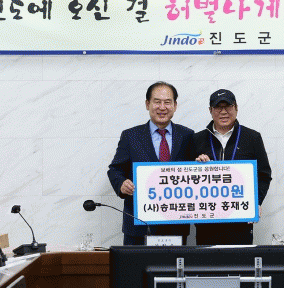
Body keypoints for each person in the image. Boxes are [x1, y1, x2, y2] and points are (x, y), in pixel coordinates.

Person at [108, 82, 194, 245]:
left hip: (175, 227)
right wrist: (122, 184)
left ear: (175, 106)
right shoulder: (130, 136)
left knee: (174, 263)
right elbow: (115, 170)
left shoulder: (188, 136)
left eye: (167, 102)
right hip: (138, 227)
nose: (162, 107)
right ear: (147, 104)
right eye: (157, 101)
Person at [194, 89, 272, 245]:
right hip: (207, 223)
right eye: (218, 107)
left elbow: (264, 175)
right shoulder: (197, 139)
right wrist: (197, 166)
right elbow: (187, 179)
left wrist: (255, 201)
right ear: (210, 110)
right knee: (207, 260)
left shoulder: (252, 138)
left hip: (240, 222)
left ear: (236, 108)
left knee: (240, 260)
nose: (223, 112)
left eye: (228, 106)